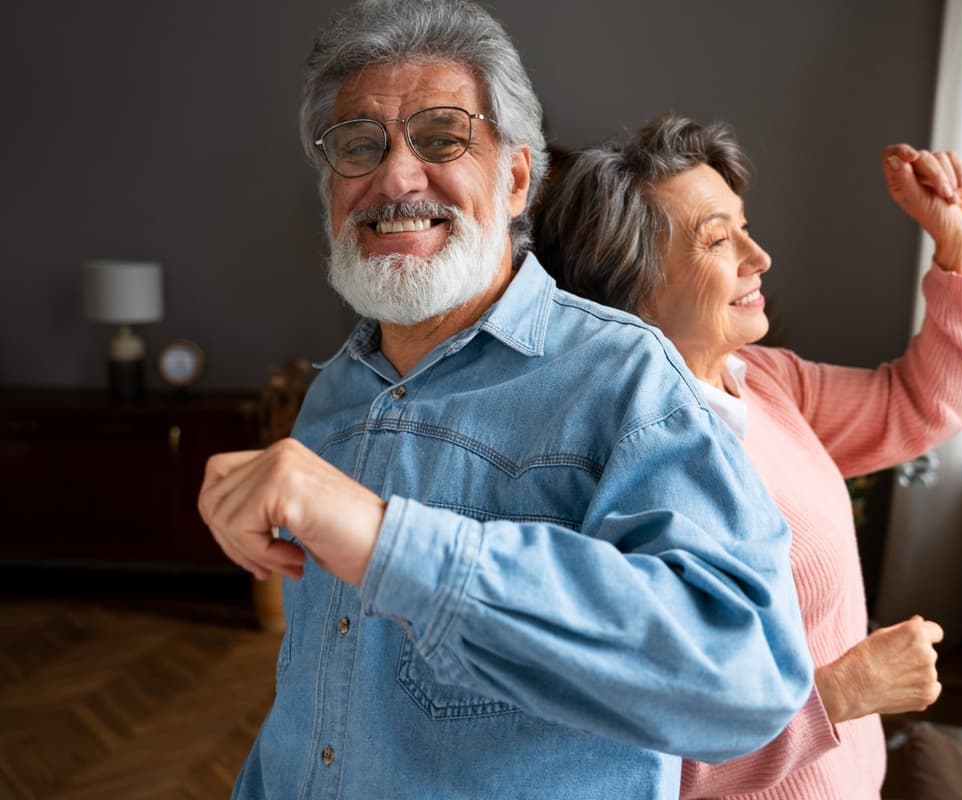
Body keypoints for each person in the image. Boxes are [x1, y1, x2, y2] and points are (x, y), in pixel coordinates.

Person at [196, 4, 815, 799]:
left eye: (442, 136)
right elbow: (322, 702)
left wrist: (391, 544)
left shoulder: (624, 377)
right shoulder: (335, 394)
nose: (394, 177)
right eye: (359, 146)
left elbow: (744, 674)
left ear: (516, 177)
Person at [535, 115, 962, 799]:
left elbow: (920, 403)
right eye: (718, 239)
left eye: (744, 225)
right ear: (631, 284)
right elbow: (632, 759)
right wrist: (839, 694)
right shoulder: (619, 470)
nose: (759, 256)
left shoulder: (759, 380)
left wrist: (958, 246)